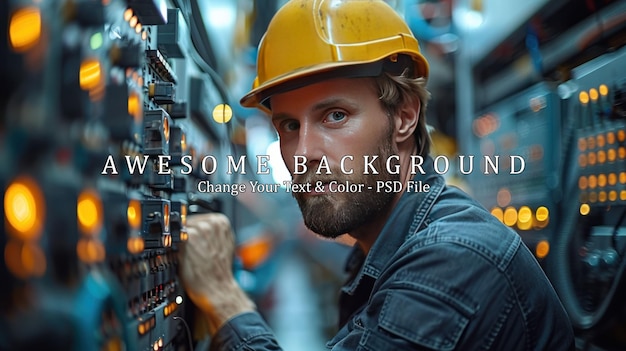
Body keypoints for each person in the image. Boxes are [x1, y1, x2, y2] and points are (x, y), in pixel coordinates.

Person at [180, 0, 576, 349]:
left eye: (335, 116)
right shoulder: (383, 249)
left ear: (404, 116)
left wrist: (226, 300)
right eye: (288, 126)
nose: (303, 154)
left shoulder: (453, 260)